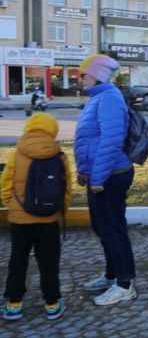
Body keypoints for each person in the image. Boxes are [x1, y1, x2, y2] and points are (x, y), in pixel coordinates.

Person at [74, 55, 138, 306]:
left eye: (83, 74)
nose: (79, 79)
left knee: (113, 229)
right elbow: (90, 140)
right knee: (103, 228)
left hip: (111, 176)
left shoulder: (109, 98)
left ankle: (124, 284)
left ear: (97, 75)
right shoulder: (98, 97)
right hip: (100, 175)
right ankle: (112, 274)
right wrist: (85, 171)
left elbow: (110, 141)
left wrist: (97, 177)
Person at [1, 113, 73, 321]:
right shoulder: (59, 154)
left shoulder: (17, 152)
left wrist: (12, 204)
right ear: (52, 129)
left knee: (18, 260)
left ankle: (14, 304)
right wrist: (61, 211)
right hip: (49, 219)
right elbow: (66, 188)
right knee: (49, 262)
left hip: (20, 219)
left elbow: (6, 183)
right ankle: (52, 303)